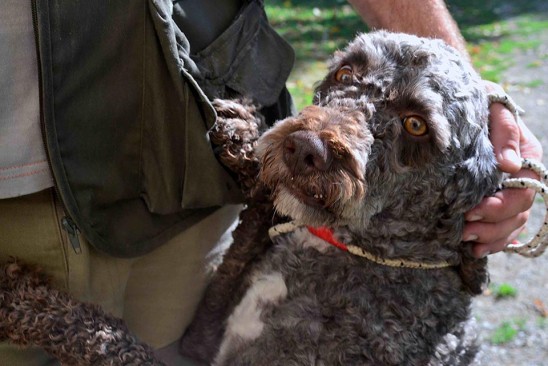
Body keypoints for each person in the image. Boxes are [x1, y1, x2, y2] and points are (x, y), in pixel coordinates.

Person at [0, 1, 542, 365]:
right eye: (348, 78)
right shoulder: (315, 240)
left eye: (413, 127)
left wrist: (56, 322)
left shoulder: (388, 334)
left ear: (463, 191)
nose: (319, 137)